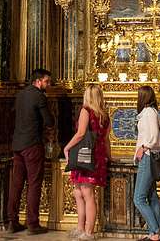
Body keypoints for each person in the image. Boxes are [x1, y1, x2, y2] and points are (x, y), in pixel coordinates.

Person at [7, 68, 55, 235]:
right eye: (47, 81)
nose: (49, 85)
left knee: (16, 184)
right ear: (38, 81)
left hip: (17, 145)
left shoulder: (20, 95)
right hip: (32, 145)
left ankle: (12, 221)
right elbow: (48, 121)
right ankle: (33, 224)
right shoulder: (39, 96)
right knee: (34, 184)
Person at [64, 85, 111, 241]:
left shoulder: (86, 111)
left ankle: (89, 232)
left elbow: (80, 133)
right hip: (96, 155)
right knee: (78, 192)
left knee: (87, 193)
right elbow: (106, 139)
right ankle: (80, 228)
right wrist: (109, 157)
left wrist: (67, 147)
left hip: (86, 155)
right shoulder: (105, 115)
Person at [133, 86, 160, 241]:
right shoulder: (151, 112)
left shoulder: (149, 113)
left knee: (138, 198)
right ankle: (154, 234)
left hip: (148, 157)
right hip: (149, 157)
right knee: (152, 197)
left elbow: (154, 137)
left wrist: (143, 147)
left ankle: (155, 230)